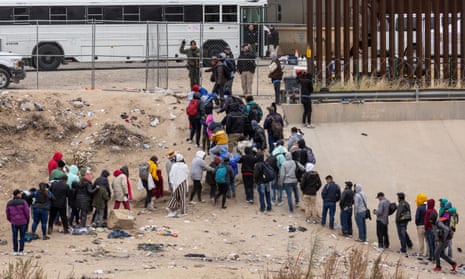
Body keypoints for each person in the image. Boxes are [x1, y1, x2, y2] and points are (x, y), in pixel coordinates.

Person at [6, 189, 30, 256]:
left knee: (14, 236)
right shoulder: (23, 202)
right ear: (18, 194)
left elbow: (7, 214)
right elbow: (27, 212)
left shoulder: (9, 203)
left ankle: (15, 251)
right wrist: (27, 219)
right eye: (20, 193)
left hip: (14, 222)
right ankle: (21, 251)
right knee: (22, 236)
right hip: (22, 222)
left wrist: (11, 220)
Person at [415, 193, 428, 257]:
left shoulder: (419, 208)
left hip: (420, 225)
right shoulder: (428, 207)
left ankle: (421, 252)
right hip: (427, 226)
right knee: (427, 240)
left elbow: (417, 217)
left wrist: (417, 224)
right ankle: (428, 253)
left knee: (421, 240)